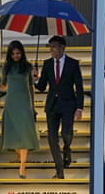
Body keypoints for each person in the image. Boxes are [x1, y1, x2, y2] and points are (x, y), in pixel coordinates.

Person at [32, 35, 84, 179]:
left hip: (68, 104)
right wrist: (35, 79)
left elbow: (79, 87)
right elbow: (42, 87)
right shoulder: (47, 63)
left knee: (66, 134)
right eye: (50, 47)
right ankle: (59, 170)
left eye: (54, 47)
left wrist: (79, 108)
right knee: (51, 138)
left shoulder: (73, 64)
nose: (52, 50)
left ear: (62, 48)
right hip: (52, 106)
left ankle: (67, 148)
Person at [0, 40, 39, 179]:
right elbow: (5, 86)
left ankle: (22, 166)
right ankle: (19, 155)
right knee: (13, 133)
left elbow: (31, 87)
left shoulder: (28, 67)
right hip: (11, 103)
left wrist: (33, 106)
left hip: (24, 104)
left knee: (23, 135)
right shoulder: (7, 68)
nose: (16, 56)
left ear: (22, 53)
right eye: (13, 54)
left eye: (18, 53)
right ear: (10, 55)